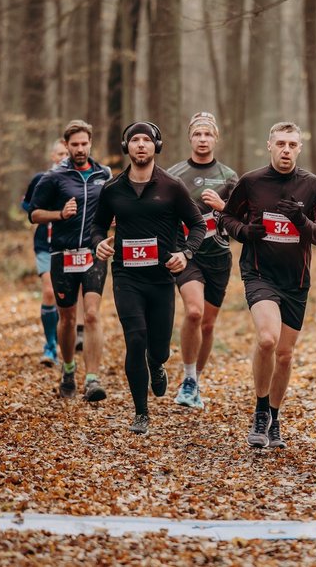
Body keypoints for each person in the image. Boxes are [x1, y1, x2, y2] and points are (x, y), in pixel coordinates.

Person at [219, 121, 316, 449]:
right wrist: (244, 232)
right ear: (269, 146)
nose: (286, 150)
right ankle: (259, 412)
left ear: (299, 148)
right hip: (259, 274)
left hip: (295, 281)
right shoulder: (251, 182)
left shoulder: (311, 185)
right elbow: (227, 218)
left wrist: (301, 220)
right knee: (267, 340)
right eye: (280, 143)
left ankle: (275, 418)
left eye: (292, 144)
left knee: (285, 354)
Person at [91, 120, 205, 435]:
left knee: (159, 348)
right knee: (135, 338)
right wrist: (98, 242)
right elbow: (98, 225)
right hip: (127, 276)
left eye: (146, 140)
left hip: (160, 279)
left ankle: (157, 365)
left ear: (156, 146)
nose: (141, 145)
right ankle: (141, 413)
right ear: (126, 147)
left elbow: (198, 225)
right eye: (134, 140)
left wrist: (186, 254)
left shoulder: (172, 186)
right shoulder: (112, 188)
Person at [28, 120, 111, 402]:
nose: (79, 149)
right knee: (67, 318)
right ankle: (68, 369)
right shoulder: (54, 177)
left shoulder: (104, 174)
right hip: (62, 254)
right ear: (66, 145)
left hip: (93, 254)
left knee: (91, 315)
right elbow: (34, 214)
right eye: (74, 144)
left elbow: (113, 209)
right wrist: (60, 214)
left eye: (84, 143)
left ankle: (92, 379)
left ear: (91, 143)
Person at [166, 112, 238, 409]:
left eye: (208, 134)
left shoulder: (229, 177)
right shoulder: (174, 174)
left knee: (207, 325)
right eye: (198, 134)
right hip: (187, 255)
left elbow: (241, 221)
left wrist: (222, 206)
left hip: (218, 257)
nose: (203, 139)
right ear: (190, 138)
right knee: (193, 312)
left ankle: (194, 381)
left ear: (216, 138)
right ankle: (187, 378)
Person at [22, 139, 69, 367]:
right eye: (59, 153)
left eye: (66, 153)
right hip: (44, 244)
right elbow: (28, 208)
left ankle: (66, 343)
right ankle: (49, 346)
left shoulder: (74, 180)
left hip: (68, 246)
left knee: (64, 298)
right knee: (49, 292)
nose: (62, 157)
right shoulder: (40, 179)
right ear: (52, 156)